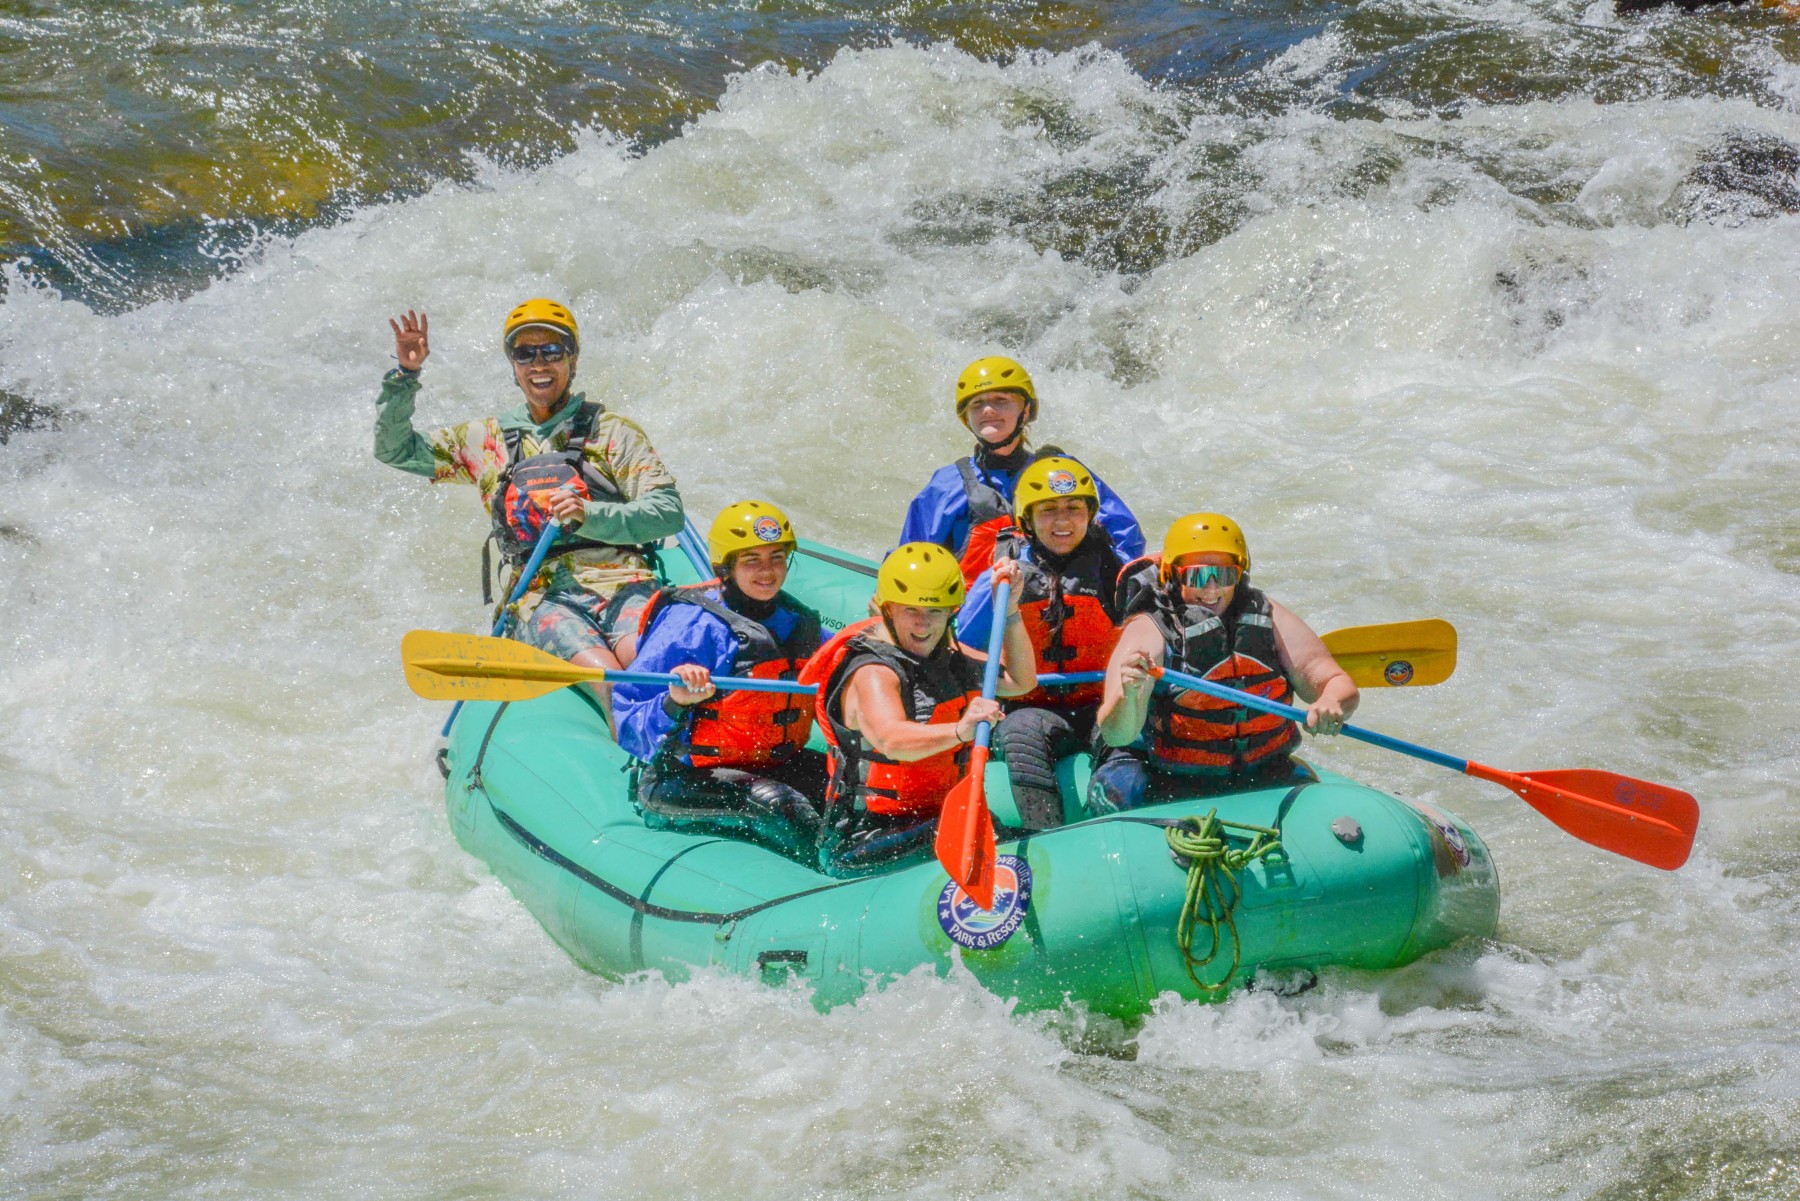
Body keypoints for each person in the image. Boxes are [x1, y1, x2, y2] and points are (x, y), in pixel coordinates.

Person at [375, 301, 684, 705]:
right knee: (608, 679)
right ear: (513, 364)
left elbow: (667, 512)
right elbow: (394, 450)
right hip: (541, 596)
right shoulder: (483, 440)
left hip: (623, 582)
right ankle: (634, 760)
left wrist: (590, 515)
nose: (539, 364)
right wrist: (405, 376)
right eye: (525, 353)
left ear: (572, 360)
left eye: (552, 352)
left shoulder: (612, 433)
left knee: (646, 668)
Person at [1091, 513, 1358, 812]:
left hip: (1258, 769)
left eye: (1225, 575)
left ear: (1240, 575)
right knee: (1124, 791)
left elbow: (1337, 682)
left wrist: (1332, 702)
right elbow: (1118, 734)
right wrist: (1128, 695)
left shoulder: (1269, 618)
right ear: (1173, 574)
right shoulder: (1148, 629)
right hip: (1163, 774)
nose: (1211, 589)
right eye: (1197, 576)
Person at [804, 543, 1036, 875]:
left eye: (936, 611)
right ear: (887, 609)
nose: (924, 624)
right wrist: (960, 730)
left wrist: (1011, 610)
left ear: (951, 613)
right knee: (946, 833)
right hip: (864, 837)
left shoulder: (951, 658)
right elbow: (891, 739)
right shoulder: (872, 672)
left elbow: (1021, 680)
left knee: (1006, 841)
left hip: (940, 819)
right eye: (911, 610)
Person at [612, 501, 826, 857]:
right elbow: (627, 719)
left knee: (853, 787)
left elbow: (843, 674)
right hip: (683, 777)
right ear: (725, 567)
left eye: (776, 557)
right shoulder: (692, 626)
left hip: (773, 763)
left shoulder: (797, 620)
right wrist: (674, 700)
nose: (768, 571)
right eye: (752, 560)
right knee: (777, 804)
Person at [955, 456, 1126, 829]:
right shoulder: (999, 580)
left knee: (1131, 726)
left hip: (1103, 705)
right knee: (1021, 729)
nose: (1063, 521)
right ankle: (1046, 835)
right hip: (1032, 710)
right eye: (1048, 510)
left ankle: (1120, 830)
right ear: (1027, 521)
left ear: (1090, 514)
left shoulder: (1119, 572)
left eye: (1073, 508)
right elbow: (959, 651)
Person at [897, 355, 1145, 584]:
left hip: (1061, 608)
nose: (988, 410)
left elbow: (1127, 541)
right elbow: (912, 559)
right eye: (977, 404)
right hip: (980, 613)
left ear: (1026, 410)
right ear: (966, 418)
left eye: (1001, 401)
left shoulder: (1064, 473)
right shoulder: (948, 484)